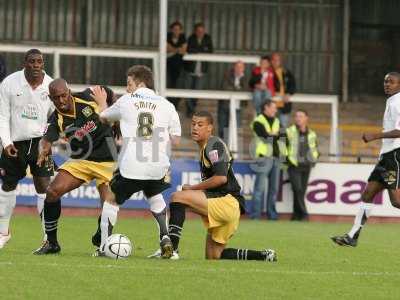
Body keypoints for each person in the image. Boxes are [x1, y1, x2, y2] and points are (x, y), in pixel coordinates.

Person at [93, 65, 181, 258]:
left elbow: (103, 118)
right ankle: (166, 239)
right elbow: (176, 138)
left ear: (140, 83)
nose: (127, 88)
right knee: (155, 196)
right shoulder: (167, 105)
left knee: (111, 200)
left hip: (132, 164)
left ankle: (103, 247)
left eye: (129, 83)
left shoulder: (127, 101)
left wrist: (101, 102)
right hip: (159, 165)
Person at [166, 111, 277, 261]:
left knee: (177, 197)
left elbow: (220, 178)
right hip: (228, 205)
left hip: (227, 202)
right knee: (214, 256)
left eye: (200, 125)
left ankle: (171, 250)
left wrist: (192, 188)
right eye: (193, 124)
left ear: (210, 128)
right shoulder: (206, 147)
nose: (195, 128)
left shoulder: (213, 145)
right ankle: (262, 256)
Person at [32, 79, 118, 255]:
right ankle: (52, 243)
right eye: (56, 98)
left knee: (108, 204)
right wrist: (44, 149)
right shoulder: (56, 119)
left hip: (107, 158)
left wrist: (116, 118)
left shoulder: (87, 96)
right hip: (81, 160)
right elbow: (48, 138)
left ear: (69, 92)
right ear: (51, 98)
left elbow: (109, 93)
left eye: (64, 95)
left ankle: (102, 240)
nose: (61, 100)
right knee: (52, 192)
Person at [332, 72, 400, 247]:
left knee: (397, 201)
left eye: (391, 82)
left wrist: (374, 135)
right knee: (368, 194)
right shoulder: (391, 100)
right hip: (386, 156)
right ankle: (352, 236)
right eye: (385, 81)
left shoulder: (399, 102)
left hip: (394, 156)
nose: (387, 84)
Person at [0, 49, 54, 249]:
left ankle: (48, 237)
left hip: (40, 143)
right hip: (15, 143)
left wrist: (48, 139)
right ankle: (3, 232)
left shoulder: (50, 85)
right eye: (32, 61)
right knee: (7, 185)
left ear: (43, 63)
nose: (36, 65)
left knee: (45, 188)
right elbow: (2, 116)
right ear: (25, 63)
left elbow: (54, 116)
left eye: (39, 61)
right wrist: (6, 143)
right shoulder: (9, 84)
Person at [250, 100, 287, 220]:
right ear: (266, 107)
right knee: (259, 189)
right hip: (263, 158)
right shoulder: (257, 122)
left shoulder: (277, 121)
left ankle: (272, 216)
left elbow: (283, 136)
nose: (276, 110)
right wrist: (275, 135)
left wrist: (272, 134)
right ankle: (255, 216)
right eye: (273, 108)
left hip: (276, 158)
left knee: (274, 189)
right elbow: (265, 137)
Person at [286, 110, 319, 221]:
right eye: (296, 116)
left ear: (306, 118)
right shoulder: (289, 131)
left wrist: (314, 158)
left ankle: (295, 215)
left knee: (300, 192)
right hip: (293, 165)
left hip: (306, 165)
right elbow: (282, 146)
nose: (298, 118)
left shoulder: (312, 133)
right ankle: (305, 214)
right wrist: (286, 160)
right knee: (298, 189)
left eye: (301, 116)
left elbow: (315, 148)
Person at [184, 22, 213, 117]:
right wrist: (201, 50)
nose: (200, 33)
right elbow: (188, 50)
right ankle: (190, 110)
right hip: (190, 69)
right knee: (188, 91)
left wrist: (198, 51)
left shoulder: (208, 39)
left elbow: (210, 51)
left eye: (202, 31)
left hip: (202, 70)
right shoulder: (191, 38)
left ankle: (192, 108)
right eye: (198, 31)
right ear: (195, 31)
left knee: (197, 91)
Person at [217, 60, 248, 141]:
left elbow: (246, 90)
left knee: (235, 128)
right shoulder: (227, 75)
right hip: (224, 106)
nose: (239, 69)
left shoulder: (245, 78)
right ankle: (223, 146)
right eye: (237, 67)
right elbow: (224, 88)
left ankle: (230, 147)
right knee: (222, 128)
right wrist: (238, 88)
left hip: (237, 107)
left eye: (241, 67)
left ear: (243, 68)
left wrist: (234, 88)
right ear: (234, 67)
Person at [271, 53, 296, 128]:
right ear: (271, 61)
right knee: (271, 128)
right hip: (271, 106)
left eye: (277, 60)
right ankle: (270, 140)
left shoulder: (287, 72)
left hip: (284, 105)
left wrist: (288, 94)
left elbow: (293, 85)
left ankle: (282, 140)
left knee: (283, 127)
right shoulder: (268, 72)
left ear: (280, 61)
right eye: (274, 60)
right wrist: (274, 93)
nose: (275, 62)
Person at [167, 21, 187, 108]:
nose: (176, 31)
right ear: (171, 30)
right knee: (168, 85)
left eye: (178, 29)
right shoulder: (167, 36)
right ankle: (168, 106)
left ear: (181, 30)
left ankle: (175, 106)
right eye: (174, 29)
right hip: (168, 65)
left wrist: (173, 49)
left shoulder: (183, 37)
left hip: (179, 66)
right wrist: (178, 49)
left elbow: (184, 50)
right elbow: (166, 48)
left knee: (179, 86)